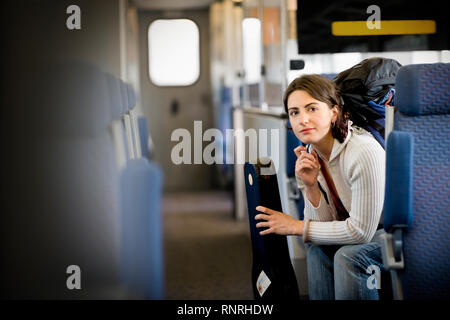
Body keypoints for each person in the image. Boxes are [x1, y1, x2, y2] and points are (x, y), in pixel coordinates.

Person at [255, 74, 386, 300]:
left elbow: (362, 232)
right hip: (368, 232)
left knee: (349, 256)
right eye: (294, 112)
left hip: (395, 234)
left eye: (312, 109)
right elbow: (324, 229)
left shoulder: (362, 151)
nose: (302, 119)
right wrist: (310, 185)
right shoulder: (313, 154)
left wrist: (296, 226)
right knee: (318, 251)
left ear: (334, 112)